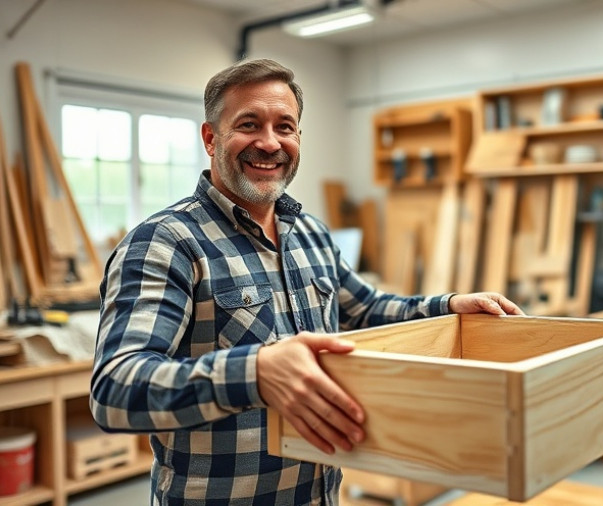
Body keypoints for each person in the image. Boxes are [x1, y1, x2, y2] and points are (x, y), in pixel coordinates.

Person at [90, 58, 523, 506]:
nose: (269, 142)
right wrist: (255, 372)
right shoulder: (166, 243)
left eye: (285, 127)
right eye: (249, 124)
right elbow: (116, 389)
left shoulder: (310, 233)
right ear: (210, 138)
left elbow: (366, 310)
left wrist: (449, 306)